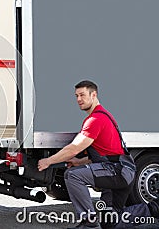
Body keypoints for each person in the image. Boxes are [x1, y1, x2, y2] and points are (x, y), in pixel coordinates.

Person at [37, 80, 159, 229]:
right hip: (121, 171)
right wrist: (79, 162)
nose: (78, 99)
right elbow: (105, 153)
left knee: (72, 175)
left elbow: (74, 147)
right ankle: (154, 209)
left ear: (93, 94)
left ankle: (89, 223)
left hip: (118, 172)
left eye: (82, 95)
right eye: (76, 96)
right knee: (110, 222)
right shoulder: (102, 116)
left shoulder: (95, 119)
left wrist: (48, 161)